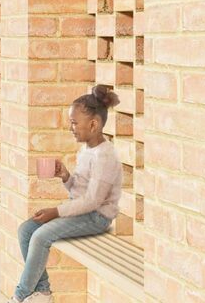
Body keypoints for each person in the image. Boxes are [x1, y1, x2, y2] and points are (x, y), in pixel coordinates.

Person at [11, 85, 122, 303]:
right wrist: (66, 178)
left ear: (93, 124)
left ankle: (19, 296)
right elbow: (79, 193)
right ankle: (42, 293)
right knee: (26, 230)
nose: (71, 127)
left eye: (74, 122)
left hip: (97, 217)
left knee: (41, 236)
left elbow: (93, 201)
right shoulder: (86, 149)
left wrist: (56, 212)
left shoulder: (105, 156)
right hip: (82, 210)